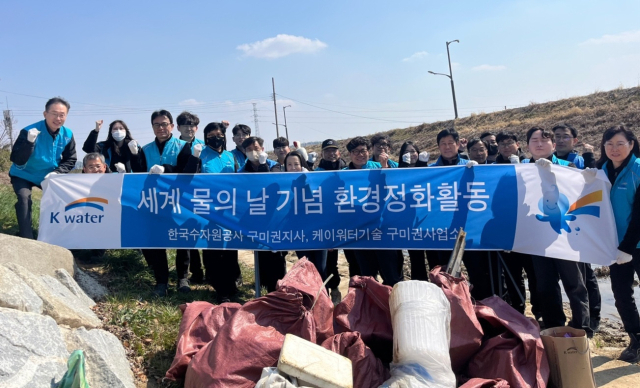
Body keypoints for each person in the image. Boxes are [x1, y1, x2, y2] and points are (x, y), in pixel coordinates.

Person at [524, 126, 593, 336]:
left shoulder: (569, 166)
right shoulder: (520, 170)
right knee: (545, 285)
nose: (539, 144)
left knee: (575, 284)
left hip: (567, 236)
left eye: (544, 140)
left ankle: (583, 328)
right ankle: (554, 325)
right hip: (538, 238)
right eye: (534, 140)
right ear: (527, 145)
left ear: (553, 145)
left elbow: (579, 195)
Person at [130, 109, 194, 297]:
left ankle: (183, 278)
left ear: (172, 126)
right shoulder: (146, 149)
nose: (161, 128)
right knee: (156, 239)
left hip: (178, 200)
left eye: (164, 124)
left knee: (182, 238)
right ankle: (161, 281)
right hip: (154, 201)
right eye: (157, 124)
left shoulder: (183, 146)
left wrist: (166, 168)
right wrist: (135, 156)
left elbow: (185, 171)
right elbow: (139, 172)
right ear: (152, 127)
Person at [596, 125, 640, 362]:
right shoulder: (601, 171)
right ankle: (636, 339)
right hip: (614, 246)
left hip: (634, 245)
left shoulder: (638, 171)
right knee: (622, 294)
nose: (614, 149)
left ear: (631, 145)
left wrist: (628, 247)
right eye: (609, 144)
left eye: (620, 144)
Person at [552, 123, 602, 332]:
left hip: (579, 224)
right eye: (557, 136)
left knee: (586, 274)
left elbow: (595, 180)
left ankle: (594, 317)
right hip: (557, 224)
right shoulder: (546, 161)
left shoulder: (580, 160)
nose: (561, 140)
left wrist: (589, 157)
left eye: (565, 136)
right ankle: (575, 320)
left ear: (575, 140)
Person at [9, 97, 77, 239]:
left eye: (62, 115)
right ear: (45, 114)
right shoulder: (28, 131)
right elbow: (16, 158)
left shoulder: (68, 135)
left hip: (48, 175)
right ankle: (27, 237)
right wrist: (29, 142)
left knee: (63, 199)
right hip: (23, 173)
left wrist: (57, 172)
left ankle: (59, 235)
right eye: (54, 113)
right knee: (24, 198)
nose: (58, 118)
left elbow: (71, 159)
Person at [190, 122, 241, 303]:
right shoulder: (200, 155)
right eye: (211, 135)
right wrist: (194, 158)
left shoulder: (230, 156)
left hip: (229, 211)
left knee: (230, 250)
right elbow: (190, 178)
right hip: (208, 211)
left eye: (219, 134)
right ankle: (220, 289)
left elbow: (240, 180)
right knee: (213, 250)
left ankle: (230, 284)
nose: (216, 138)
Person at [492, 132, 541, 318]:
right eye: (502, 144)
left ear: (518, 144)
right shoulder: (492, 168)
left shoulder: (529, 164)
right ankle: (517, 311)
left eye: (509, 143)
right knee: (512, 274)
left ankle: (539, 311)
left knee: (535, 274)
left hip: (529, 229)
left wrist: (522, 169)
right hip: (506, 230)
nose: (506, 147)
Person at [344, 137, 403, 286]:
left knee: (392, 276)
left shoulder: (380, 166)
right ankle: (372, 308)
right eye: (355, 151)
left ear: (369, 152)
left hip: (384, 230)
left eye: (363, 151)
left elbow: (398, 184)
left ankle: (393, 307)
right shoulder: (343, 174)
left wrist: (385, 168)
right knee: (367, 277)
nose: (360, 155)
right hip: (360, 233)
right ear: (350, 154)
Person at [240, 136, 285, 292]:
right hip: (254, 218)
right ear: (244, 152)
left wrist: (263, 164)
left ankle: (279, 289)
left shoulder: (274, 166)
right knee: (260, 255)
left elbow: (273, 184)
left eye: (256, 148)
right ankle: (264, 287)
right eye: (249, 150)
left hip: (274, 220)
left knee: (277, 256)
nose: (253, 152)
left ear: (263, 149)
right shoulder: (241, 171)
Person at [314, 139, 357, 303]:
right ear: (322, 153)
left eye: (334, 150)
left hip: (348, 221)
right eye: (327, 151)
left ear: (339, 152)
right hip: (328, 222)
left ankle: (355, 292)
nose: (331, 153)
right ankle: (334, 289)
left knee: (353, 258)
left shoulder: (348, 170)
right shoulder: (316, 172)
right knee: (330, 260)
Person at [283, 150, 329, 283]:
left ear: (302, 165)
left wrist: (308, 179)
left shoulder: (313, 179)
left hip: (318, 231)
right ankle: (309, 301)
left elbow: (322, 204)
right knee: (306, 267)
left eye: (296, 164)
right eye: (289, 164)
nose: (293, 168)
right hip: (299, 233)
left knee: (321, 267)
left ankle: (324, 299)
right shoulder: (282, 184)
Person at [428, 129, 471, 269]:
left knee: (476, 269)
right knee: (443, 271)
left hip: (469, 226)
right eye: (443, 143)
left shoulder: (469, 165)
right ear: (438, 146)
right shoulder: (430, 170)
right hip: (442, 228)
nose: (447, 147)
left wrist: (477, 172)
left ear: (458, 144)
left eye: (450, 143)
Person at [397, 141, 430, 281]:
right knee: (416, 256)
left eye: (413, 151)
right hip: (408, 222)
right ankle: (419, 282)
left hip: (426, 219)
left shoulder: (429, 170)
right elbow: (400, 185)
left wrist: (423, 165)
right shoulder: (397, 171)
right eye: (407, 152)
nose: (411, 155)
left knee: (432, 254)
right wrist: (404, 166)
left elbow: (426, 182)